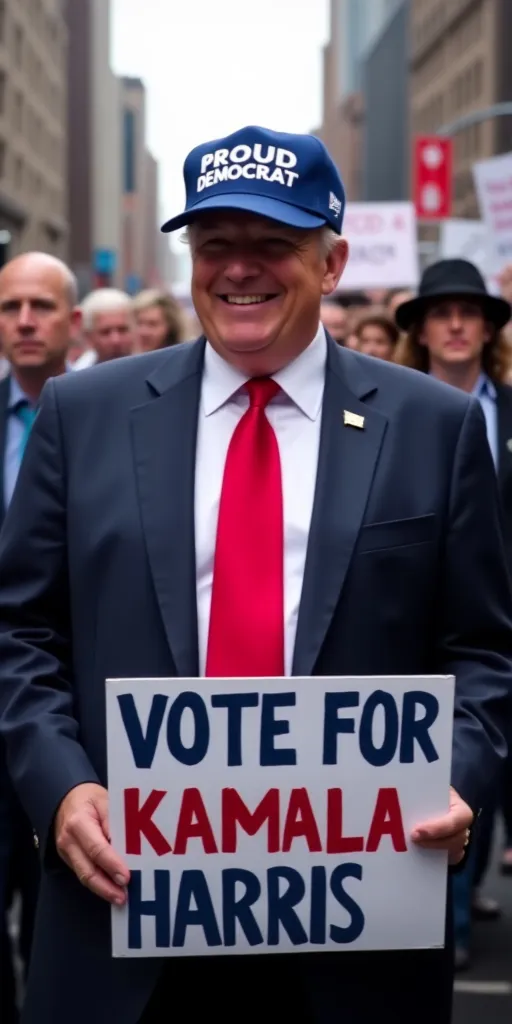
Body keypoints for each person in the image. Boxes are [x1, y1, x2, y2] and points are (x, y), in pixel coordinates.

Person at [0, 126, 510, 1024]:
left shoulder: (434, 427)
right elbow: (23, 634)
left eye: (273, 243)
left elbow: (482, 650)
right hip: (125, 916)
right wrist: (61, 786)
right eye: (215, 245)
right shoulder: (86, 414)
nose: (240, 269)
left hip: (355, 930)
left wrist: (457, 779)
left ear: (333, 259)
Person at [394, 258, 512, 968]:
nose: (459, 324)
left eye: (472, 312)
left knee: (480, 777)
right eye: (443, 312)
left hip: (498, 636)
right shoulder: (394, 415)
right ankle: (449, 928)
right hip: (420, 634)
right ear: (423, 330)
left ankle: (458, 917)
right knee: (425, 792)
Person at [0, 252, 81, 1021]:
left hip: (62, 716)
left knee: (54, 914)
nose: (25, 322)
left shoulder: (103, 416)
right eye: (10, 306)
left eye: (42, 307)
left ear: (74, 322)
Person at [72, 288, 135, 369]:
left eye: (122, 330)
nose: (116, 340)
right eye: (106, 332)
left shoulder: (150, 371)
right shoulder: (78, 377)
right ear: (89, 337)